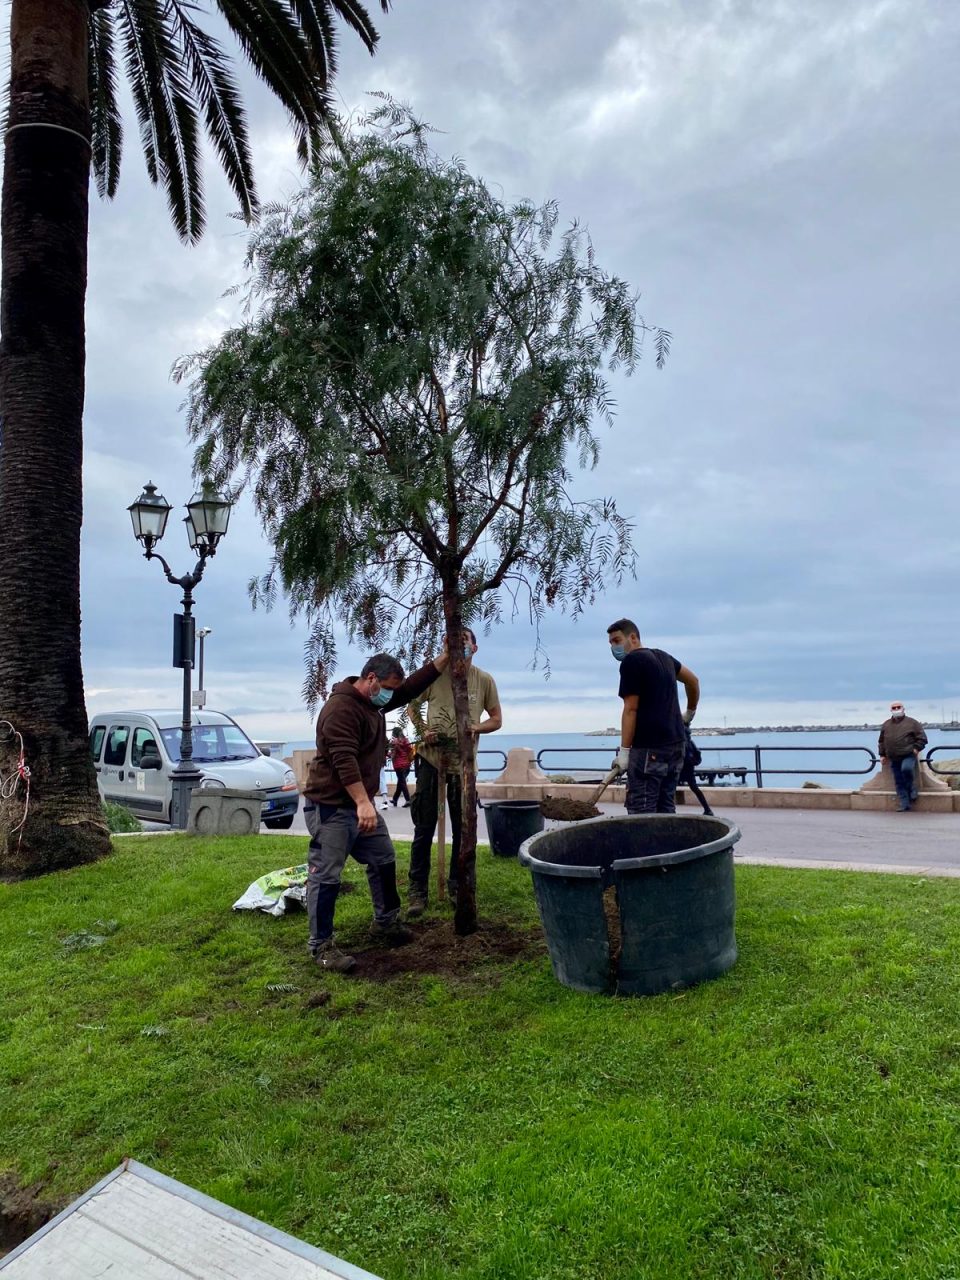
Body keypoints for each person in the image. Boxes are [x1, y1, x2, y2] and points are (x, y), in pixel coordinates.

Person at [303, 648, 448, 972]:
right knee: (326, 875)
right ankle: (321, 946)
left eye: (392, 691)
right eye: (387, 689)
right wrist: (363, 802)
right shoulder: (341, 709)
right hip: (331, 807)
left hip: (357, 805)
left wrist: (444, 658)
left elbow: (409, 688)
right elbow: (343, 759)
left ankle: (385, 923)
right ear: (371, 679)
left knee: (383, 857)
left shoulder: (371, 703)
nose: (391, 697)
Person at [406, 628, 502, 916]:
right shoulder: (435, 674)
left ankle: (457, 885)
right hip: (431, 760)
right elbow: (412, 705)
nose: (458, 648)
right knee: (424, 828)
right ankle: (417, 891)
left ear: (475, 646)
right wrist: (424, 730)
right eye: (451, 643)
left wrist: (476, 727)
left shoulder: (483, 680)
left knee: (463, 829)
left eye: (463, 643)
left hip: (464, 766)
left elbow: (496, 719)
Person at [607, 618, 700, 815]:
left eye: (616, 640)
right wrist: (689, 713)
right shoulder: (664, 657)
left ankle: (648, 847)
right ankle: (670, 846)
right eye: (611, 643)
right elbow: (693, 681)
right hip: (676, 747)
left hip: (649, 750)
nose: (613, 647)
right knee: (666, 809)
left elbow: (630, 709)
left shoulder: (632, 662)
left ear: (633, 637)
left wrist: (624, 752)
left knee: (642, 813)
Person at [879, 701, 927, 811]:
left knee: (906, 769)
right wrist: (882, 755)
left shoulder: (912, 723)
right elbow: (881, 741)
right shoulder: (886, 724)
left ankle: (911, 788)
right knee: (898, 781)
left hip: (908, 754)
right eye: (894, 708)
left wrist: (916, 748)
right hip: (893, 757)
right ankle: (904, 803)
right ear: (891, 710)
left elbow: (922, 738)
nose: (896, 709)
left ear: (903, 709)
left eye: (898, 707)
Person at [678, 725, 714, 816]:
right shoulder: (690, 743)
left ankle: (707, 809)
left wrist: (693, 762)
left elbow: (697, 755)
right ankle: (707, 809)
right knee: (695, 788)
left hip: (682, 769)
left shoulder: (684, 743)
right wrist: (694, 762)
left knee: (669, 789)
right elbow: (698, 754)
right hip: (687, 769)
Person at [387, 726, 413, 806]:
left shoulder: (394, 742)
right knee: (401, 783)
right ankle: (395, 799)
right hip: (407, 765)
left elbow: (393, 755)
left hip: (399, 766)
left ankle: (408, 800)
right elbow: (410, 750)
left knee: (402, 783)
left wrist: (387, 754)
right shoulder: (406, 740)